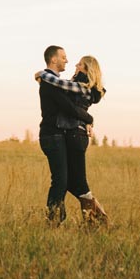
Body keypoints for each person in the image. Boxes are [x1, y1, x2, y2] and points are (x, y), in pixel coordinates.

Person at [36, 46, 108, 225]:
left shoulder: (79, 87)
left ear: (87, 69)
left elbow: (70, 107)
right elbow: (67, 103)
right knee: (66, 180)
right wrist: (89, 120)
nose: (70, 62)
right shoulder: (61, 83)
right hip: (59, 134)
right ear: (54, 60)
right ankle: (90, 216)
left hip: (73, 135)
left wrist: (41, 75)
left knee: (70, 181)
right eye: (64, 57)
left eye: (79, 64)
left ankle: (91, 217)